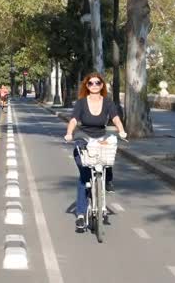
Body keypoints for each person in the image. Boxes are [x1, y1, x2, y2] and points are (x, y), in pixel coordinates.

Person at [64, 73, 127, 231]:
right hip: (83, 140)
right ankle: (80, 214)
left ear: (102, 85)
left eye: (97, 83)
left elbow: (116, 118)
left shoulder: (107, 103)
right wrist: (69, 133)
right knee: (84, 176)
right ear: (87, 86)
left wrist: (121, 130)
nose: (94, 86)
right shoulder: (81, 103)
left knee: (108, 154)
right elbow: (73, 120)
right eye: (90, 83)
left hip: (100, 140)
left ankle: (107, 181)